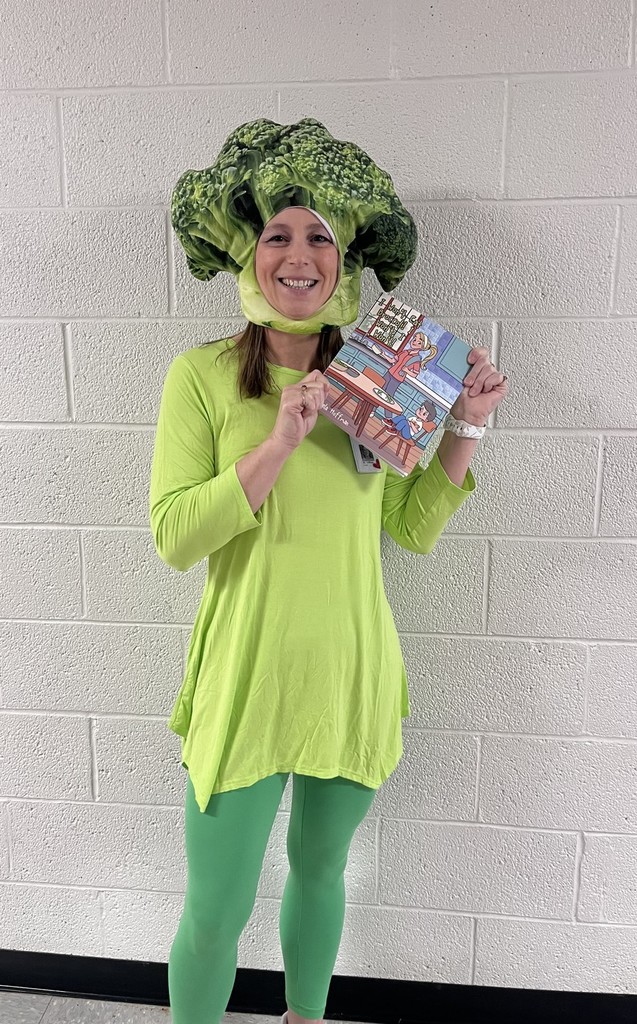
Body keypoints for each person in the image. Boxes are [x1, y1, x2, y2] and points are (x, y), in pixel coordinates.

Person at [149, 118, 509, 1024]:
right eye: (279, 234)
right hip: (245, 681)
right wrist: (276, 444)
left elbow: (411, 528)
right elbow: (174, 536)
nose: (299, 255)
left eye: (321, 236)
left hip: (348, 671)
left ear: (346, 261)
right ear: (248, 253)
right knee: (217, 908)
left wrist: (462, 422)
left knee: (320, 873)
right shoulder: (198, 379)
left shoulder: (377, 386)